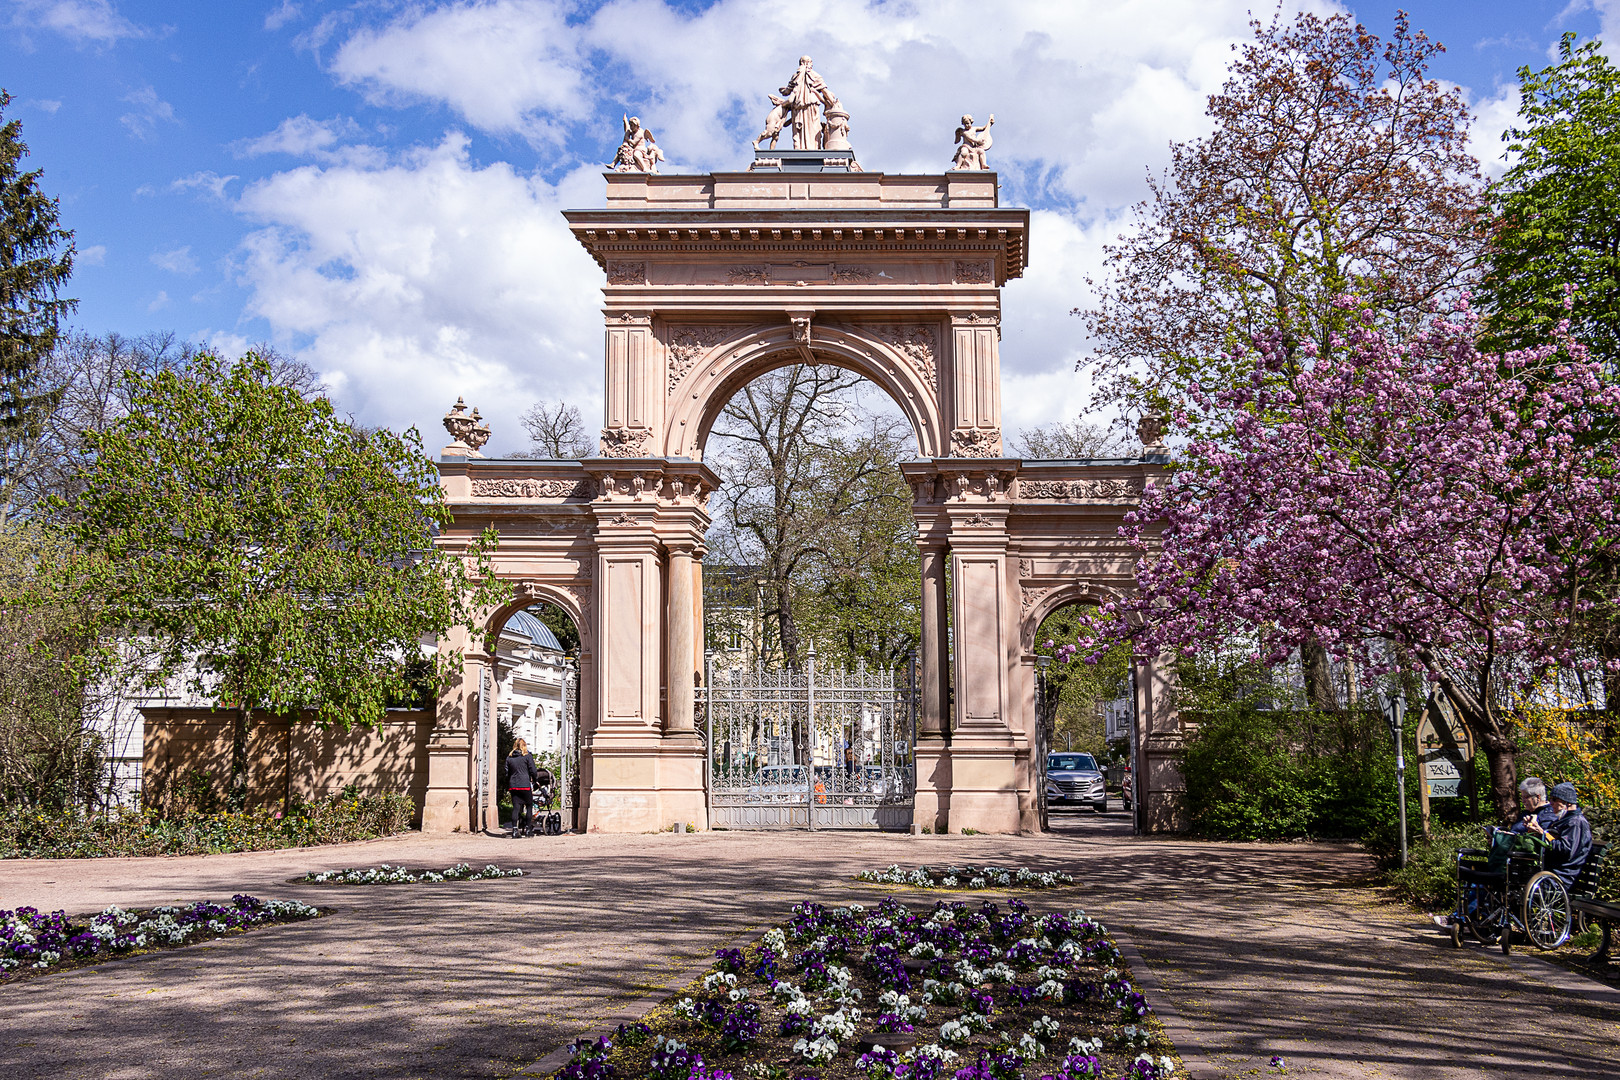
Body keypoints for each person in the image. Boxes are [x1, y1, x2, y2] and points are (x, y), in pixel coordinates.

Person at [1523, 781, 1593, 886]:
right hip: (1550, 870)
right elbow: (1551, 841)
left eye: (1555, 800)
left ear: (1568, 802)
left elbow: (1565, 851)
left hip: (1562, 875)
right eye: (1551, 799)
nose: (1551, 803)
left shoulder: (1575, 822)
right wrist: (1534, 830)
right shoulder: (1563, 820)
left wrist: (1542, 833)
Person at [506, 738, 540, 838]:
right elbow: (533, 770)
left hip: (514, 785)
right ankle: (528, 829)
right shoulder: (527, 757)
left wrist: (511, 780)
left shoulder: (509, 757)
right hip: (525, 784)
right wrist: (535, 779)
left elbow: (506, 772)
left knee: (516, 807)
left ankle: (515, 830)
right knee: (529, 806)